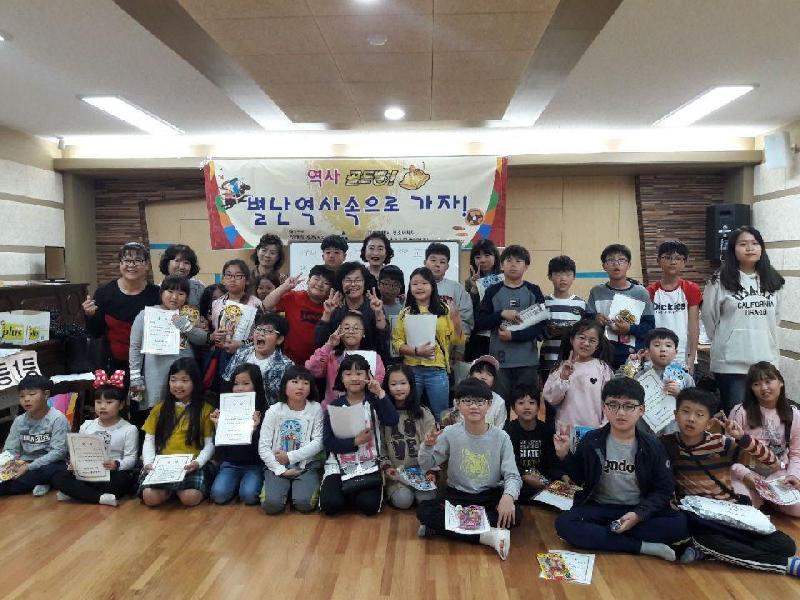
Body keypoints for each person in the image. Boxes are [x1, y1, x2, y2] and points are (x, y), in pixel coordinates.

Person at [662, 388, 800, 575]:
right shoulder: (666, 444)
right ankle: (785, 565)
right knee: (707, 539)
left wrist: (742, 438)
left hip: (729, 511)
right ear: (675, 414)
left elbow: (771, 462)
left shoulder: (721, 444)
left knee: (786, 546)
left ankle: (707, 553)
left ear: (710, 422)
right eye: (685, 411)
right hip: (699, 516)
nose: (691, 419)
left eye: (699, 414)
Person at [553, 377, 689, 561]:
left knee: (680, 524)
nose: (620, 413)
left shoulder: (652, 446)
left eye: (628, 406)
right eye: (613, 405)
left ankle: (603, 535)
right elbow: (580, 478)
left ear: (641, 410)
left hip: (637, 509)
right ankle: (642, 546)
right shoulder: (592, 440)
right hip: (600, 508)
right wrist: (564, 455)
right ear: (604, 407)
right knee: (564, 524)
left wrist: (638, 515)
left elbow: (664, 489)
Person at [416, 378, 522, 561]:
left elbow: (512, 475)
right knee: (424, 511)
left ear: (489, 404)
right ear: (458, 404)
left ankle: (443, 529)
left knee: (515, 515)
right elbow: (427, 464)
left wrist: (508, 497)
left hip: (488, 496)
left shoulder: (501, 437)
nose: (474, 406)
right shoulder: (450, 432)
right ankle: (488, 536)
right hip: (457, 496)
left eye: (480, 401)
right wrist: (427, 446)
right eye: (467, 401)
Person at [702, 226, 784, 414]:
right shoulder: (719, 280)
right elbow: (708, 317)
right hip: (730, 364)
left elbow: (776, 318)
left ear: (761, 248)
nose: (749, 248)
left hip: (766, 361)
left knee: (765, 417)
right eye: (743, 244)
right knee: (737, 418)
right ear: (733, 249)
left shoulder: (774, 280)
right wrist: (726, 339)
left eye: (755, 243)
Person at [319, 355, 399, 516]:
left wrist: (380, 392)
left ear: (368, 376)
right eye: (348, 374)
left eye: (359, 373)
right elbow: (328, 442)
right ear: (341, 378)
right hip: (339, 465)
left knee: (369, 506)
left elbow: (392, 420)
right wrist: (355, 441)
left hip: (369, 463)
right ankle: (347, 492)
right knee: (330, 505)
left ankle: (352, 493)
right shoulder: (334, 406)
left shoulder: (375, 401)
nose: (354, 378)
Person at [52, 370, 138, 506]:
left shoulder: (129, 429)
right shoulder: (87, 425)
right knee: (58, 476)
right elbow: (78, 452)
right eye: (98, 402)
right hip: (87, 472)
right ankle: (100, 497)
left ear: (121, 405)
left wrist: (116, 464)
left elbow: (131, 459)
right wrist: (73, 464)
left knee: (123, 481)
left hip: (111, 473)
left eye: (109, 402)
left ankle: (78, 493)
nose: (103, 406)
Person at [138, 359, 215, 507]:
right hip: (162, 464)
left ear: (195, 382)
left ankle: (177, 490)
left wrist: (198, 463)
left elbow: (209, 444)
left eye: (185, 380)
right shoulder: (159, 408)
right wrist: (148, 462)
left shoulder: (206, 410)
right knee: (150, 498)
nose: (178, 385)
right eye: (173, 380)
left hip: (191, 465)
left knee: (190, 499)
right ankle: (171, 490)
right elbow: (149, 440)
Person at [475, 244, 546, 402]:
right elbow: (480, 322)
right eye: (509, 261)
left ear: (526, 266)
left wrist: (514, 336)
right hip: (499, 363)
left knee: (527, 406)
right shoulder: (492, 291)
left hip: (527, 362)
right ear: (501, 265)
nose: (513, 265)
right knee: (500, 405)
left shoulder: (534, 290)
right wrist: (500, 314)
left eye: (518, 261)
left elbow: (541, 325)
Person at [392, 267, 464, 421]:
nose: (419, 287)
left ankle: (441, 437)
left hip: (437, 370)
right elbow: (397, 343)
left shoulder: (444, 310)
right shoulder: (405, 313)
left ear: (432, 286)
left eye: (424, 283)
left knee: (441, 414)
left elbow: (457, 340)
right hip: (411, 370)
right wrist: (416, 351)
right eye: (414, 284)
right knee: (410, 413)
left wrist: (456, 319)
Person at [129, 275, 207, 416]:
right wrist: (135, 376)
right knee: (158, 415)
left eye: (181, 294)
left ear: (187, 297)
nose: (175, 297)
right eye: (170, 292)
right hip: (156, 374)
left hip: (185, 373)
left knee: (185, 415)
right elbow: (135, 347)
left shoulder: (190, 314)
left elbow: (202, 339)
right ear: (161, 292)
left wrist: (185, 325)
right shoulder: (146, 314)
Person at [729, 362, 800, 517]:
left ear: (780, 382)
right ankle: (763, 501)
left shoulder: (794, 415)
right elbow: (727, 453)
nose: (763, 388)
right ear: (751, 389)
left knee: (797, 508)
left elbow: (796, 453)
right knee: (745, 507)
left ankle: (772, 501)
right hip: (746, 473)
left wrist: (793, 475)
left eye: (768, 381)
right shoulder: (740, 412)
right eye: (756, 384)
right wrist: (744, 474)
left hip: (777, 475)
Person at [83, 242, 160, 378]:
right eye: (127, 260)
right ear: (120, 264)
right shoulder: (104, 293)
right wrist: (90, 315)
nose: (131, 265)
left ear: (147, 265)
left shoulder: (156, 294)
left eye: (138, 260)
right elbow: (96, 332)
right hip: (112, 363)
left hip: (147, 364)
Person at [260, 366, 325, 515]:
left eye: (305, 383)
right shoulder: (274, 410)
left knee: (305, 504)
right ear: (284, 385)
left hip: (306, 466)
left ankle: (297, 489)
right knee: (271, 505)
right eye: (294, 382)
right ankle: (283, 489)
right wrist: (280, 470)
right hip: (277, 465)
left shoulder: (315, 408)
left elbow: (318, 442)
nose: (300, 387)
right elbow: (263, 447)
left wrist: (290, 457)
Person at [587, 243, 655, 369]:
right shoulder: (596, 292)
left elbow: (650, 327)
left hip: (633, 356)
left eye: (621, 260)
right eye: (611, 260)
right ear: (604, 266)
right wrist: (595, 320)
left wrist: (629, 329)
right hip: (602, 355)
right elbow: (586, 323)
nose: (616, 264)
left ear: (629, 265)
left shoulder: (641, 293)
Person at [380, 364, 437, 509]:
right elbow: (381, 446)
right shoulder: (382, 414)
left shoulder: (423, 412)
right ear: (387, 387)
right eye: (393, 384)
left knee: (426, 500)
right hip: (397, 475)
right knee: (403, 501)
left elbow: (434, 445)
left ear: (411, 385)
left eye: (403, 383)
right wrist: (387, 467)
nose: (399, 388)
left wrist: (431, 470)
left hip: (422, 472)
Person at [0, 374, 68, 497]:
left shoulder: (57, 419)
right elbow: (11, 450)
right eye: (22, 396)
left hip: (50, 463)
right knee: (7, 474)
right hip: (24, 463)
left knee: (56, 471)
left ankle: (38, 481)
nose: (26, 399)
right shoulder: (19, 421)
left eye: (32, 394)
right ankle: (42, 482)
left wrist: (29, 467)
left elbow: (58, 452)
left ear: (46, 394)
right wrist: (7, 466)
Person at [209, 364, 266, 506]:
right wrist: (218, 427)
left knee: (249, 496)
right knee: (219, 495)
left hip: (255, 464)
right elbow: (219, 448)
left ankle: (245, 484)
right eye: (236, 384)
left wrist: (255, 430)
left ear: (256, 385)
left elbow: (264, 449)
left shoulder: (263, 411)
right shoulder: (225, 409)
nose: (239, 388)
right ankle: (234, 484)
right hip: (231, 463)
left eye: (246, 383)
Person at [543, 319, 614, 431]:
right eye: (582, 338)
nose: (586, 343)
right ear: (572, 339)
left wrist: (604, 427)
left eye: (592, 340)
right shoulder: (560, 368)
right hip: (565, 431)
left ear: (597, 345)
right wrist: (563, 377)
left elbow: (610, 400)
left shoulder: (603, 369)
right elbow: (552, 399)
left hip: (594, 430)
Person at [306, 311, 385, 408]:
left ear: (363, 333)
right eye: (347, 328)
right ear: (339, 331)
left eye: (356, 328)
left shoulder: (374, 357)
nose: (351, 331)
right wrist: (329, 345)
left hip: (364, 409)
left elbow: (378, 383)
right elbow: (312, 369)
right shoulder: (331, 356)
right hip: (333, 409)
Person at [626, 328, 695, 435]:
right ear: (648, 351)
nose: (663, 349)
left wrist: (680, 394)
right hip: (644, 430)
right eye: (657, 345)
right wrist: (631, 365)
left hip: (673, 431)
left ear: (676, 352)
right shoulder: (640, 375)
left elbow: (694, 403)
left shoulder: (685, 378)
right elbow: (626, 395)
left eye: (668, 345)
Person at [314, 262, 388, 359]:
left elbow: (383, 342)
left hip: (369, 360)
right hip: (338, 362)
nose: (353, 284)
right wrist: (327, 313)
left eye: (358, 280)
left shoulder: (374, 305)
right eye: (348, 280)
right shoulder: (335, 306)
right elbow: (320, 341)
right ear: (341, 283)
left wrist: (378, 313)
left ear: (364, 282)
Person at [262, 265, 335, 365]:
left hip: (319, 365)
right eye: (316, 279)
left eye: (326, 283)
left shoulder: (332, 306)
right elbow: (267, 305)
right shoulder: (293, 297)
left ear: (330, 289)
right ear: (308, 281)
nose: (320, 284)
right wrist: (284, 287)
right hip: (290, 362)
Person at [646, 240, 702, 370]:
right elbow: (647, 327)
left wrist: (692, 357)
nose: (673, 262)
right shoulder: (650, 291)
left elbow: (694, 326)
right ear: (658, 261)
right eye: (667, 257)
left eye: (678, 258)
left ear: (684, 262)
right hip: (656, 355)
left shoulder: (691, 289)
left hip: (682, 355)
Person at [504, 385, 562, 503]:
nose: (527, 407)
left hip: (543, 481)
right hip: (518, 481)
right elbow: (507, 462)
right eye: (521, 403)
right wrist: (525, 476)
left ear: (538, 407)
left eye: (532, 403)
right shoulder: (508, 431)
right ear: (513, 408)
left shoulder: (546, 430)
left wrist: (562, 475)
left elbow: (551, 460)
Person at [222, 313, 295, 406]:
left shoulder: (286, 366)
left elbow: (287, 400)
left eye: (268, 331)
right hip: (237, 407)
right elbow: (227, 382)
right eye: (258, 329)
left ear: (279, 339)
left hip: (268, 411)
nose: (261, 333)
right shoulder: (241, 353)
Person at [208, 259, 262, 385]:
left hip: (248, 355)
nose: (233, 279)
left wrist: (241, 344)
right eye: (228, 275)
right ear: (223, 279)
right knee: (224, 388)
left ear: (247, 280)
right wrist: (215, 336)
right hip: (222, 355)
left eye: (238, 276)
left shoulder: (256, 304)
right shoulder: (216, 304)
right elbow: (213, 330)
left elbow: (261, 334)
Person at [424, 242, 473, 361]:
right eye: (433, 260)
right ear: (425, 262)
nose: (437, 265)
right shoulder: (416, 287)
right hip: (420, 351)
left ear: (447, 266)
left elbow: (465, 319)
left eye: (442, 262)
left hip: (449, 352)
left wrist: (459, 350)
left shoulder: (456, 289)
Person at [541, 255, 587, 379]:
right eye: (558, 274)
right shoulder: (543, 303)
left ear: (574, 277)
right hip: (548, 360)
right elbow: (538, 333)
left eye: (568, 274)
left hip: (574, 362)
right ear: (550, 276)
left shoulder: (581, 304)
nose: (563, 278)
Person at [463, 239, 502, 361]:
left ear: (495, 257)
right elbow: (468, 311)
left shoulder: (505, 278)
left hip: (501, 334)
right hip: (479, 336)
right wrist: (474, 290)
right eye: (478, 257)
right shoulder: (469, 282)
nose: (482, 260)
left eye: (487, 255)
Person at [442, 355, 506, 429]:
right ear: (470, 375)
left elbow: (499, 429)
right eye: (479, 372)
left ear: (494, 380)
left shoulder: (499, 402)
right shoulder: (460, 396)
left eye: (489, 374)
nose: (483, 377)